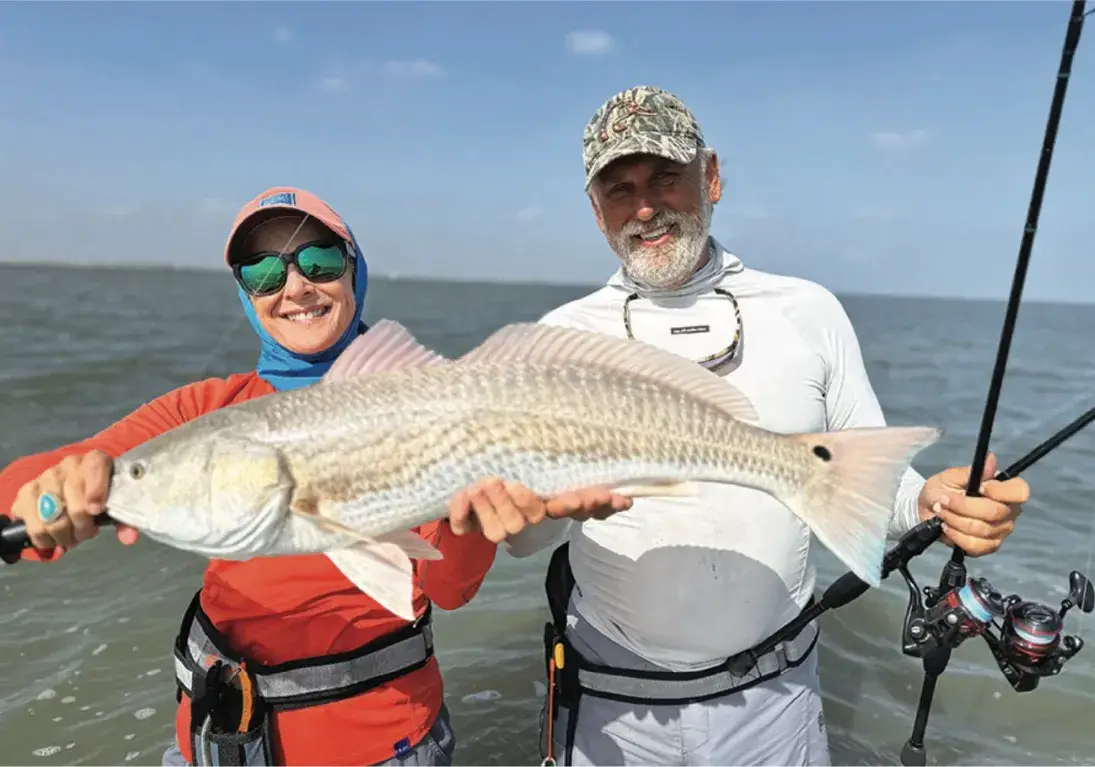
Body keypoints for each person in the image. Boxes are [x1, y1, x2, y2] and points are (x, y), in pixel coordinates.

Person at [0, 186, 630, 767]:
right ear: (247, 296)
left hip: (382, 746)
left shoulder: (424, 406)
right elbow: (51, 475)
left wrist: (477, 520)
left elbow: (449, 587)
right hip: (218, 742)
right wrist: (50, 491)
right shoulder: (207, 411)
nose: (294, 287)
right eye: (265, 272)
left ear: (355, 270)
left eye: (320, 263)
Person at [504, 86, 1031, 766]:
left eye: (666, 176)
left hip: (773, 701)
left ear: (711, 176)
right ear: (594, 209)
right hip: (614, 708)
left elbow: (867, 486)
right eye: (618, 188)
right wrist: (535, 508)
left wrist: (929, 503)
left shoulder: (807, 312)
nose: (644, 207)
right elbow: (525, 537)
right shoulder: (558, 339)